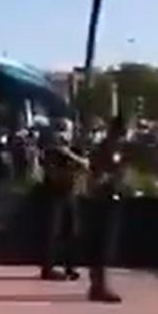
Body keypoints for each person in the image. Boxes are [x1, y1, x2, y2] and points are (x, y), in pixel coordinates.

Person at [40, 117, 89, 281]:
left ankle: (70, 266)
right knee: (52, 231)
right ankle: (48, 268)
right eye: (61, 130)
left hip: (69, 192)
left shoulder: (73, 149)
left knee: (72, 231)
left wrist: (71, 156)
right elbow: (50, 169)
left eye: (65, 130)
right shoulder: (51, 149)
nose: (63, 135)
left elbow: (85, 164)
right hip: (54, 192)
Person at [85, 115, 127, 303]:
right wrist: (111, 179)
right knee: (102, 243)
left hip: (105, 197)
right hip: (104, 199)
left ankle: (97, 283)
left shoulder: (110, 146)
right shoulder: (107, 148)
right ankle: (99, 286)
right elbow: (98, 175)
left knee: (102, 242)